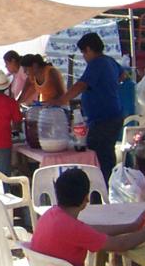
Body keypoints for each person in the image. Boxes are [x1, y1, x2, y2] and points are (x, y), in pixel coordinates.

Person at [51, 33, 124, 186]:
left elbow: (81, 85)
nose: (84, 57)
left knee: (99, 159)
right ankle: (106, 190)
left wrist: (61, 100)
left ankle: (102, 193)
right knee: (106, 157)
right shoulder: (110, 61)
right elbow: (123, 75)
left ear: (89, 49)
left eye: (84, 53)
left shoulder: (97, 63)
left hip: (103, 120)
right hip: (112, 115)